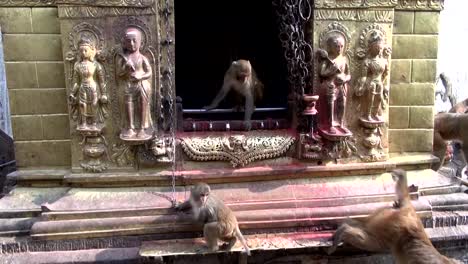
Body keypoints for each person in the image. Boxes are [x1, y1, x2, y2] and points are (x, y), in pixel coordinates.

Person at [117, 28, 154, 140]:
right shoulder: (124, 59)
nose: (132, 44)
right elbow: (119, 74)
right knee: (129, 104)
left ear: (140, 42)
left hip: (141, 85)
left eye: (134, 41)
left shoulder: (142, 58)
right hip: (129, 86)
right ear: (125, 42)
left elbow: (149, 72)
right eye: (129, 41)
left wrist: (140, 76)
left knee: (143, 104)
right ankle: (130, 127)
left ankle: (142, 128)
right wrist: (125, 67)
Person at [69, 37, 107, 131]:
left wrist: (103, 94)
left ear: (92, 50)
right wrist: (72, 93)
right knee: (82, 104)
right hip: (82, 87)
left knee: (94, 104)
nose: (83, 52)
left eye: (86, 50)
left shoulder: (96, 65)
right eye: (81, 51)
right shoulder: (77, 65)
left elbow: (102, 81)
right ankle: (84, 122)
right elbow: (76, 82)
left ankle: (94, 122)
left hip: (93, 87)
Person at [317, 33, 351, 134]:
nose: (339, 49)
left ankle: (341, 123)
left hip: (342, 86)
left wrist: (345, 79)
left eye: (341, 46)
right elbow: (322, 73)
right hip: (331, 85)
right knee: (331, 105)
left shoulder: (343, 60)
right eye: (337, 46)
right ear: (331, 47)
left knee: (342, 104)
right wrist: (332, 70)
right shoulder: (327, 60)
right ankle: (330, 124)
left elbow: (349, 74)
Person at [355, 31, 390, 122]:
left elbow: (385, 74)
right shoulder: (367, 61)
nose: (379, 49)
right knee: (371, 99)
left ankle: (375, 113)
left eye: (380, 48)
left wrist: (384, 84)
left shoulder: (384, 61)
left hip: (379, 82)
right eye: (377, 47)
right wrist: (361, 85)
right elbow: (363, 76)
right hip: (371, 82)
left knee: (378, 99)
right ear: (371, 48)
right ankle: (368, 114)